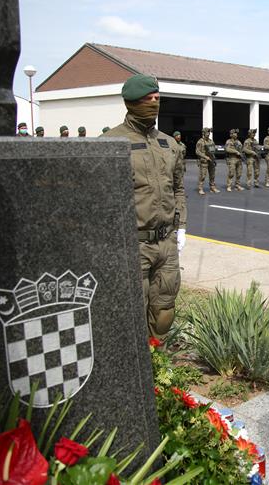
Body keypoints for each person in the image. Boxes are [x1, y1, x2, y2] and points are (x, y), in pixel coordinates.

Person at [106, 74, 186, 339]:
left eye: (157, 98)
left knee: (164, 312)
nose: (154, 103)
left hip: (166, 243)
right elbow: (103, 198)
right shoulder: (112, 143)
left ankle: (157, 365)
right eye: (147, 99)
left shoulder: (170, 144)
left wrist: (181, 226)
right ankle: (133, 373)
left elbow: (178, 189)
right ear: (131, 102)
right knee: (130, 314)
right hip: (133, 243)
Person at [195, 127, 219, 195]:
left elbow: (212, 151)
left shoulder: (211, 141)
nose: (208, 134)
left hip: (211, 160)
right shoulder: (200, 142)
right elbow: (197, 151)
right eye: (206, 133)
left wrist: (214, 159)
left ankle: (212, 187)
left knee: (212, 175)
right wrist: (205, 157)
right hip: (204, 161)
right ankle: (200, 188)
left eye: (209, 133)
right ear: (203, 133)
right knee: (203, 175)